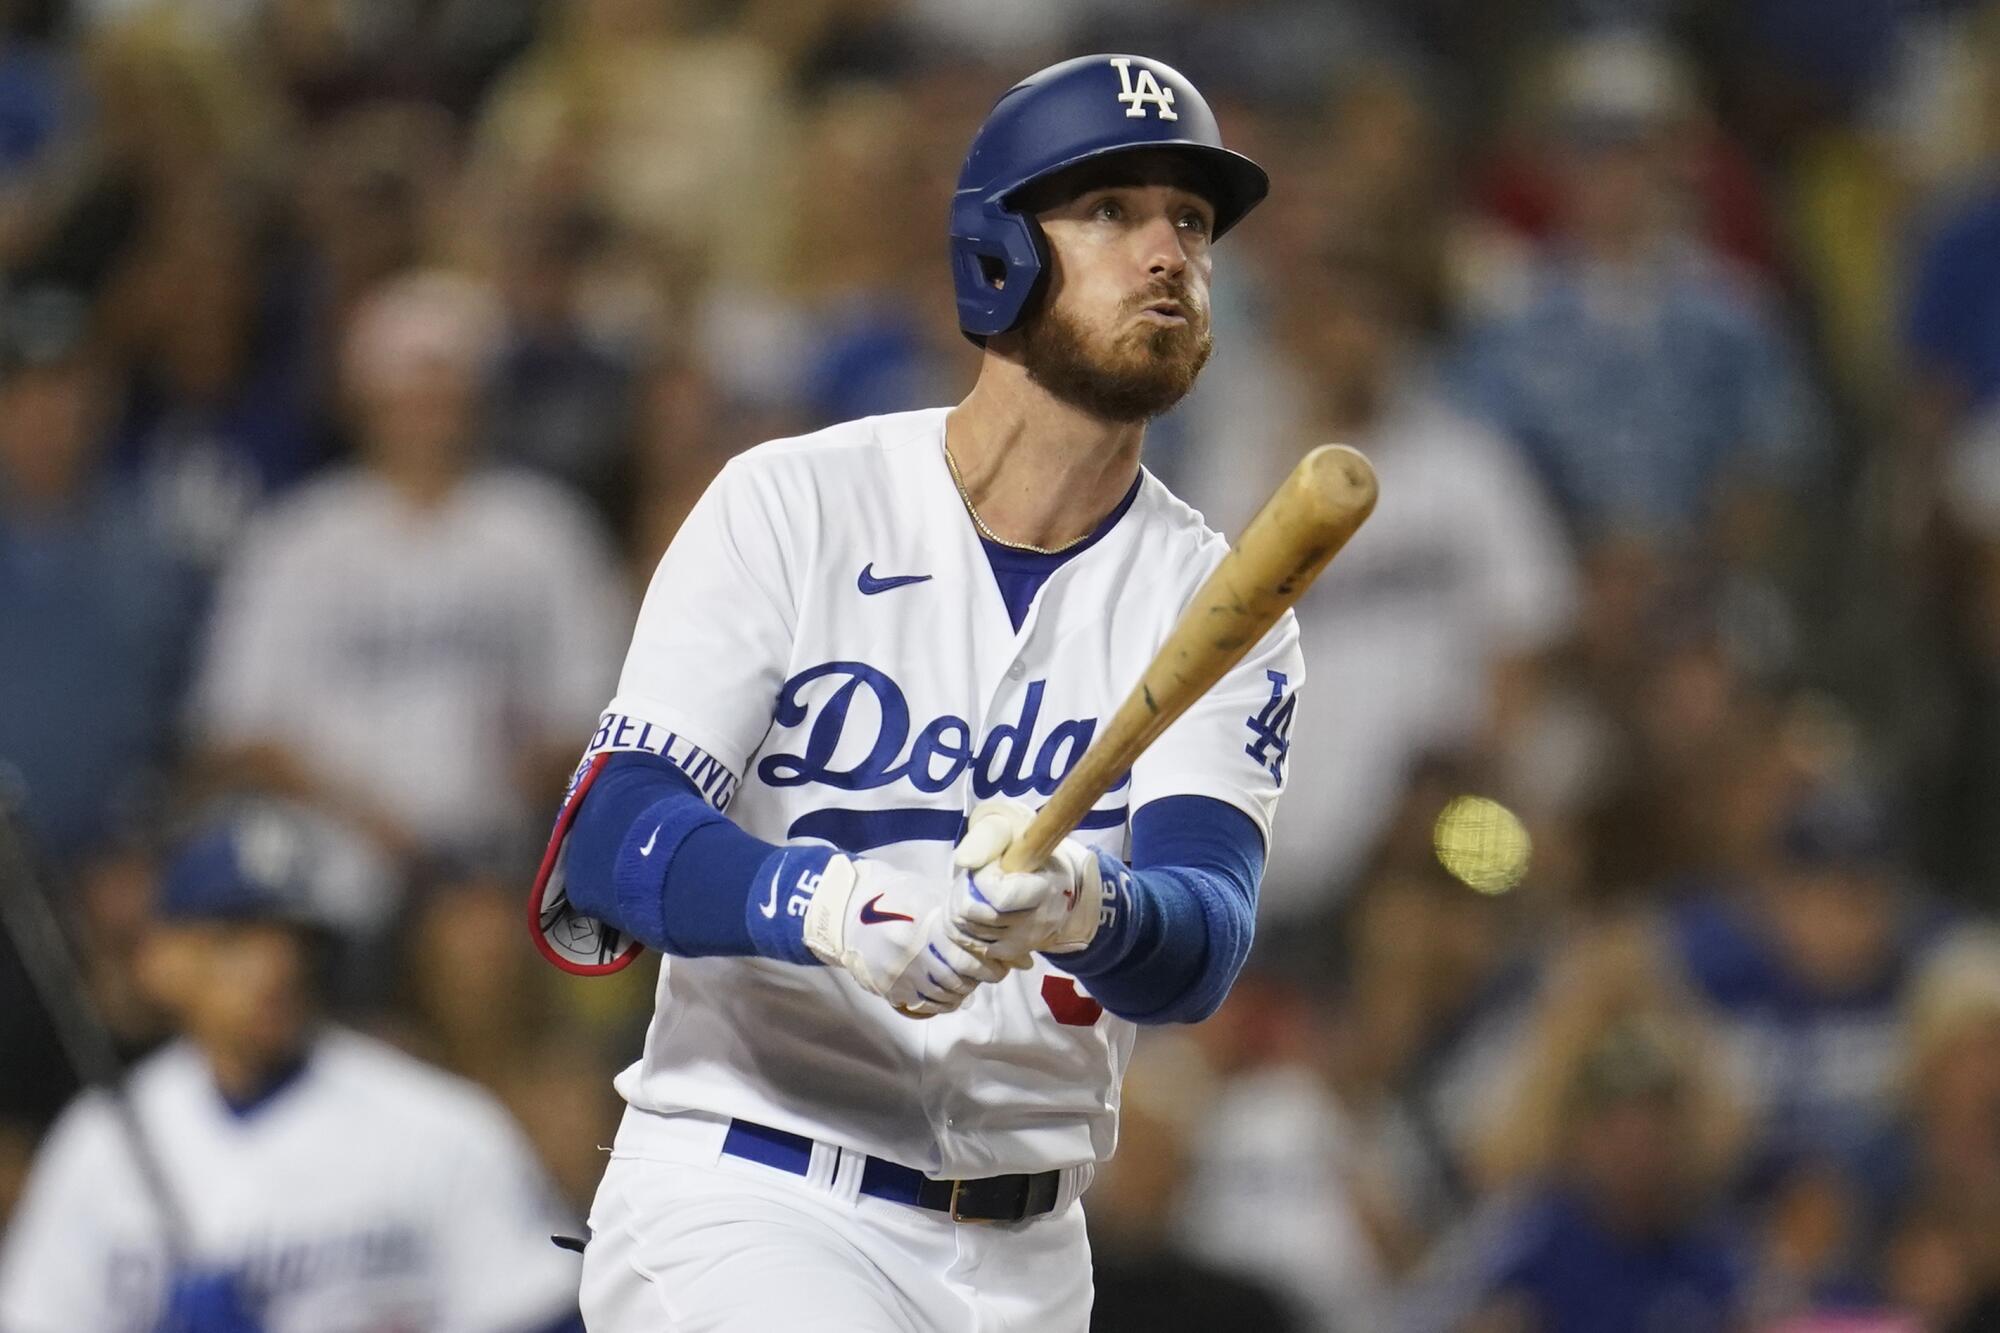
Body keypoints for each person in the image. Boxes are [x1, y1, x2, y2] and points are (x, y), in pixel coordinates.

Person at [529, 54, 1302, 1330]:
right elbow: (609, 838)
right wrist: (829, 904)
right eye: (1109, 211)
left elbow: (1202, 935)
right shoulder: (793, 502)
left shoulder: (1213, 601)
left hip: (1030, 1247)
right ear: (995, 252)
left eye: (1191, 222)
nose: (1166, 251)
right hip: (752, 1191)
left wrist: (1082, 901)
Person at [0, 802, 584, 1332]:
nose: (272, 967)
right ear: (161, 959)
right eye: (233, 938)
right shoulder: (101, 1141)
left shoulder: (440, 1129)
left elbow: (541, 1317)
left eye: (292, 939)